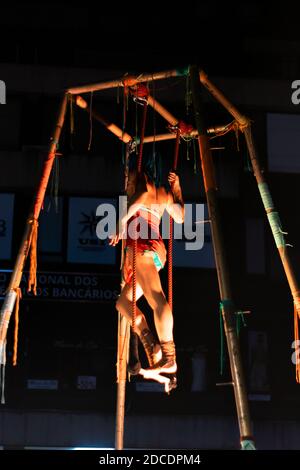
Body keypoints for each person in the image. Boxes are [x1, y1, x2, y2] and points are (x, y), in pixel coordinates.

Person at [109, 165, 184, 379]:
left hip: (143, 245)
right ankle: (152, 345)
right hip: (154, 250)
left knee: (155, 298)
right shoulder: (163, 193)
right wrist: (177, 190)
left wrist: (121, 222)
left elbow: (141, 195)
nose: (128, 185)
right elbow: (179, 217)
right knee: (123, 303)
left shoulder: (144, 185)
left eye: (129, 181)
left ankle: (169, 356)